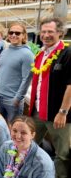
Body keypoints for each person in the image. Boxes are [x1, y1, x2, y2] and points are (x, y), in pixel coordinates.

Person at [28, 17, 71, 178]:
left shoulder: (67, 53)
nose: (46, 35)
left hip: (59, 115)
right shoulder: (41, 54)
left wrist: (63, 112)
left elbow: (70, 86)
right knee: (28, 145)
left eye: (50, 32)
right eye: (43, 31)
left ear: (60, 33)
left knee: (63, 154)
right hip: (38, 111)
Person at [0, 22, 34, 122]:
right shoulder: (5, 51)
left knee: (13, 131)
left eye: (17, 33)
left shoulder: (27, 54)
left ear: (24, 35)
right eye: (11, 32)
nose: (13, 35)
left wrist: (17, 98)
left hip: (12, 100)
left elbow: (27, 78)